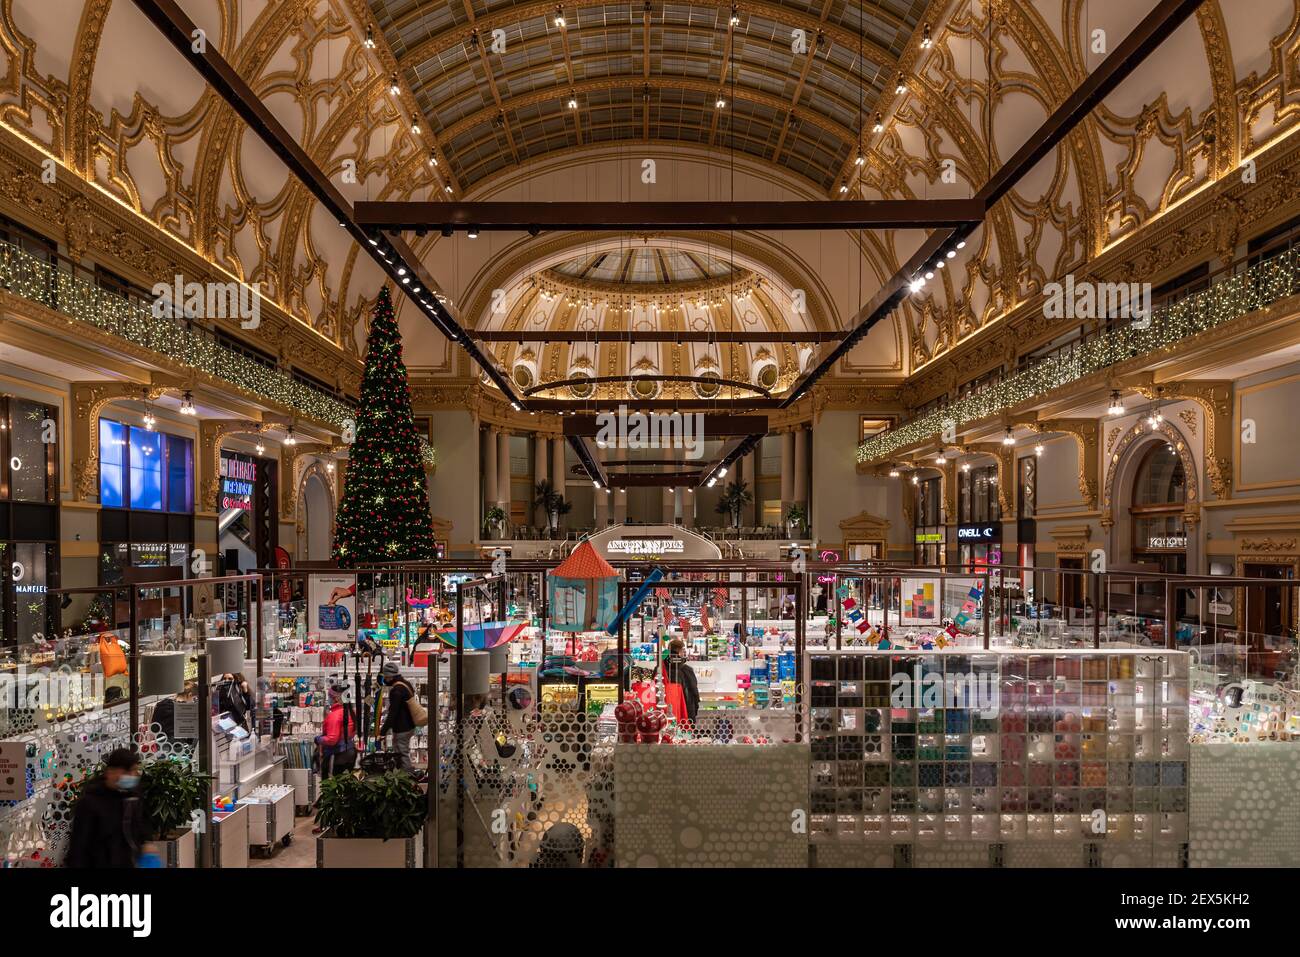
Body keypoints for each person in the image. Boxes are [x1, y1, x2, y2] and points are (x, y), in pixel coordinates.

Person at [66, 748, 151, 868]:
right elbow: (78, 847)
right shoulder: (90, 803)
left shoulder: (133, 797)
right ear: (113, 772)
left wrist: (146, 846)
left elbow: (138, 830)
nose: (136, 775)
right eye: (131, 770)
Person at [378, 661, 417, 771]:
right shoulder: (405, 684)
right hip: (410, 724)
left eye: (385, 676)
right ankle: (403, 774)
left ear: (390, 676)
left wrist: (383, 731)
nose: (385, 679)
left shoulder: (397, 690)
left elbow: (393, 713)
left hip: (402, 727)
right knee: (400, 752)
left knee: (401, 753)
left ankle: (407, 778)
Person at [315, 683, 357, 779]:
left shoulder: (335, 715)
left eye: (329, 696)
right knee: (345, 782)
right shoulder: (350, 711)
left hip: (337, 754)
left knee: (332, 785)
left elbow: (332, 739)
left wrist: (318, 739)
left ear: (336, 698)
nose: (328, 699)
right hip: (350, 752)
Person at [662, 638, 700, 727]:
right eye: (683, 650)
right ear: (679, 651)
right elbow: (694, 692)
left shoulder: (660, 668)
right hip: (685, 709)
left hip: (665, 709)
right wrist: (695, 707)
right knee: (685, 736)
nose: (684, 653)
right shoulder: (686, 670)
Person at [151, 679, 197, 744]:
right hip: (178, 749)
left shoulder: (162, 705)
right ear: (190, 695)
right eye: (194, 698)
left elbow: (154, 728)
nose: (193, 702)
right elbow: (190, 740)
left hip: (160, 746)